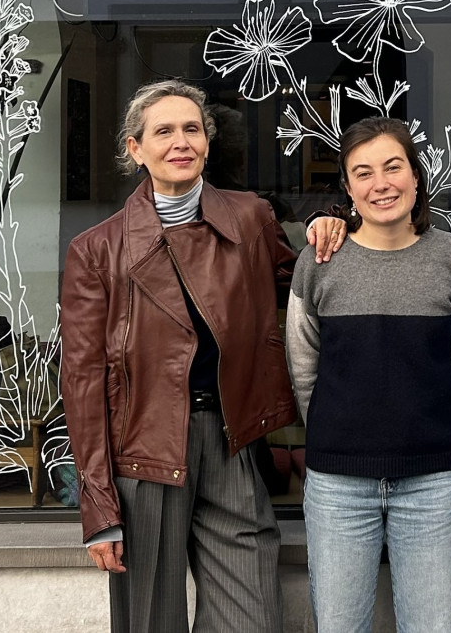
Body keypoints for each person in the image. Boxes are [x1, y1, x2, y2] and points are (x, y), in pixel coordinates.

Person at [60, 79, 342, 632]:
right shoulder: (97, 249)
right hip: (142, 449)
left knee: (252, 616)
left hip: (232, 438)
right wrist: (98, 504)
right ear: (135, 149)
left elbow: (311, 285)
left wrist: (330, 224)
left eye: (192, 128)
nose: (180, 141)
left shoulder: (249, 218)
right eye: (162, 131)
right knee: (150, 620)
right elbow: (84, 381)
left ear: (208, 143)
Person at [287, 116, 451, 633]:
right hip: (336, 484)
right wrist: (339, 428)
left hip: (431, 481)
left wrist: (422, 420)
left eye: (393, 167)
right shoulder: (320, 259)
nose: (382, 184)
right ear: (349, 188)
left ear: (416, 176)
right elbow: (302, 366)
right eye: (364, 172)